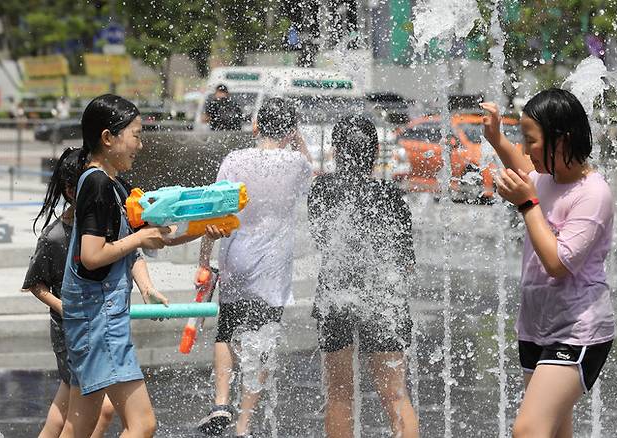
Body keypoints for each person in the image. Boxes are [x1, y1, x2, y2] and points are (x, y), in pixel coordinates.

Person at [58, 94, 222, 438]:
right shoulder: (99, 184)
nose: (141, 145)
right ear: (108, 138)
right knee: (142, 424)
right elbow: (92, 255)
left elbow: (154, 235)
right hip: (98, 320)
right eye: (135, 135)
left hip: (94, 317)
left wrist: (202, 227)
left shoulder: (111, 185)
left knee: (80, 425)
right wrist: (138, 240)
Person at [481, 89, 614, 438]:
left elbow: (558, 264)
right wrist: (496, 140)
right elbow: (523, 166)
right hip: (537, 326)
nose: (524, 149)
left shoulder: (592, 194)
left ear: (562, 139)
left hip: (578, 331)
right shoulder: (546, 178)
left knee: (529, 430)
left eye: (531, 140)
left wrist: (527, 206)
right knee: (554, 433)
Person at [196, 97, 312, 437]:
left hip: (236, 257)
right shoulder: (295, 164)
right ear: (289, 130)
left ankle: (220, 402)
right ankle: (243, 425)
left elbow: (215, 210)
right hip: (273, 268)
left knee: (226, 329)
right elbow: (311, 172)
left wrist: (204, 260)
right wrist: (298, 139)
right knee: (263, 340)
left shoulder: (235, 159)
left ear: (256, 126)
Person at [307, 115, 419, 438]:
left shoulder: (322, 190)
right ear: (373, 153)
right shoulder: (391, 196)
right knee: (396, 395)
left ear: (336, 153)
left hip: (336, 294)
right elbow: (405, 263)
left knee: (339, 395)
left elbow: (320, 240)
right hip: (383, 299)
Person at [22, 148, 116, 438]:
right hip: (70, 331)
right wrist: (66, 308)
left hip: (94, 328)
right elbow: (36, 284)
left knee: (67, 407)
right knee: (98, 408)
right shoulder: (54, 237)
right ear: (70, 190)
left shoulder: (99, 228)